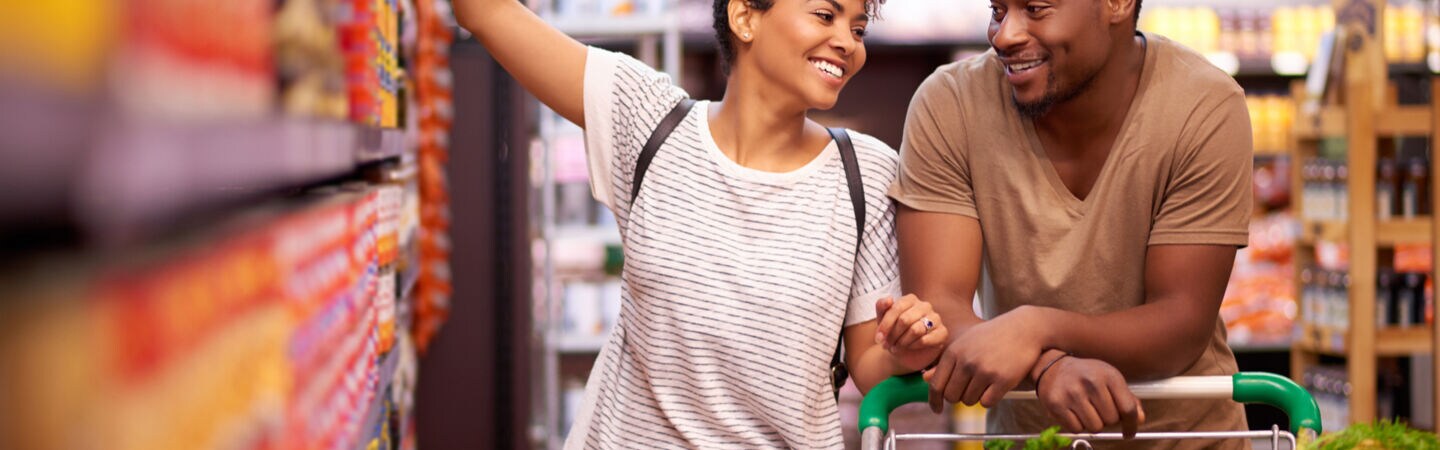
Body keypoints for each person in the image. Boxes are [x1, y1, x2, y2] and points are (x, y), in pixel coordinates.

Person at [454, 0, 953, 448]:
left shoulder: (864, 173)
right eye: (826, 15)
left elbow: (867, 365)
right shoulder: (647, 121)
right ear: (744, 17)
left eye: (859, 29)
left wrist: (908, 349)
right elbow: (483, 11)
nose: (847, 43)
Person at [888, 0, 1253, 447]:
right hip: (1033, 438)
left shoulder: (1203, 105)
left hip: (1189, 438)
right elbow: (937, 310)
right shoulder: (950, 103)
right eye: (998, 10)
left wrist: (1037, 328)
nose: (1005, 35)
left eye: (1036, 9)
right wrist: (1048, 367)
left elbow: (1180, 323)